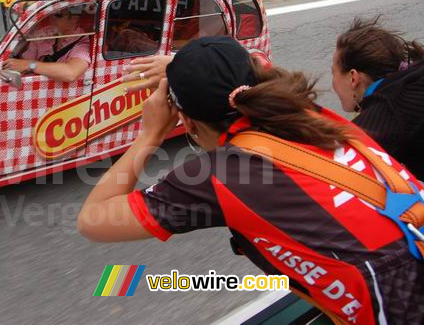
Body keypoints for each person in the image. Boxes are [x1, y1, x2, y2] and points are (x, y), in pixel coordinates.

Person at [77, 37, 423, 324]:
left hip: (398, 306)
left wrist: (149, 135)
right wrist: (186, 67)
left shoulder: (221, 174)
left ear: (186, 121)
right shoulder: (307, 113)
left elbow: (94, 220)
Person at [331, 17, 424, 177]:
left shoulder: (387, 112)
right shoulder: (412, 77)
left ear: (353, 77)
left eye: (334, 72)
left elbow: (334, 161)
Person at [2, 6, 91, 83]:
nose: (51, 18)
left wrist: (29, 65)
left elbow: (71, 73)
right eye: (51, 13)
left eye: (58, 15)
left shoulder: (82, 43)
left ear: (74, 18)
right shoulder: (47, 32)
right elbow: (24, 60)